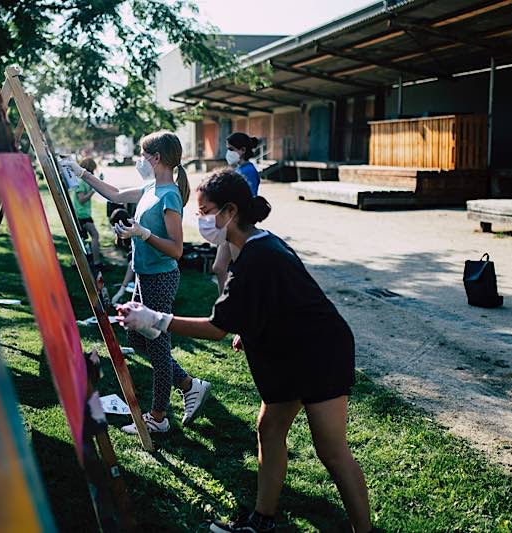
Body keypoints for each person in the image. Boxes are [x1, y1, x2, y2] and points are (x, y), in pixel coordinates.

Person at [117, 168, 373, 533]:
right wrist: (250, 328)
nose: (201, 219)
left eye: (205, 211)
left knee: (330, 450)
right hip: (292, 350)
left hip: (320, 353)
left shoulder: (256, 258)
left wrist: (154, 318)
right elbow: (275, 302)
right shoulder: (255, 246)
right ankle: (261, 521)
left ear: (230, 212)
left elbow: (216, 328)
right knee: (269, 429)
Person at [59, 131, 211, 435]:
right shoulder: (152, 187)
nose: (140, 159)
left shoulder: (168, 195)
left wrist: (143, 234)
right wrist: (81, 173)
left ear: (156, 158)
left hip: (160, 278)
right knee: (138, 340)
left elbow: (177, 249)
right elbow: (114, 194)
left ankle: (158, 416)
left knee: (156, 344)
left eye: (143, 155)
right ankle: (188, 384)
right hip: (145, 275)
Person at [213, 132, 262, 292]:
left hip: (238, 227)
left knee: (238, 271)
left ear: (242, 150)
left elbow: (246, 202)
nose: (228, 152)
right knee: (219, 268)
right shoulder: (239, 169)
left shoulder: (248, 172)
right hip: (229, 225)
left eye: (231, 149)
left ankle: (235, 306)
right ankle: (224, 304)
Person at [73, 157, 108, 271]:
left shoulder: (84, 180)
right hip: (82, 214)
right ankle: (97, 262)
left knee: (81, 238)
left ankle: (75, 263)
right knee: (95, 235)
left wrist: (98, 183)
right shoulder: (81, 182)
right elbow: (82, 199)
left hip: (83, 213)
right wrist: (93, 190)